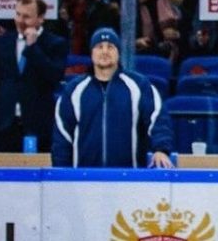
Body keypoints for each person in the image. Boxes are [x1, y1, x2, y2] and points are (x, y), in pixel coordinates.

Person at [51, 28, 175, 168]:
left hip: (129, 180)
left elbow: (158, 119)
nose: (104, 51)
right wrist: (61, 174)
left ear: (118, 53)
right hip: (83, 181)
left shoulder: (139, 86)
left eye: (110, 47)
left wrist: (161, 149)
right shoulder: (73, 91)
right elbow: (62, 136)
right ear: (91, 53)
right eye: (99, 47)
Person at [0, 0, 67, 152]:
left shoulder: (55, 44)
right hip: (3, 126)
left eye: (26, 16)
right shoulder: (1, 43)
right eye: (18, 14)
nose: (20, 20)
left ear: (41, 18)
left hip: (38, 126)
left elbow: (54, 78)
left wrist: (33, 48)